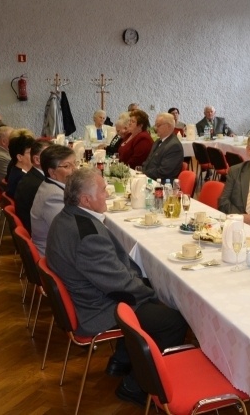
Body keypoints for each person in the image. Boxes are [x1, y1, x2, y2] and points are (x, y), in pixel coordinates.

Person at [45, 167, 188, 407]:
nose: (107, 194)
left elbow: (112, 275)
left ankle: (120, 360)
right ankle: (135, 386)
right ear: (86, 200)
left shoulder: (67, 217)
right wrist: (152, 293)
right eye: (102, 191)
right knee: (173, 321)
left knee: (147, 295)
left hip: (91, 295)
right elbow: (118, 285)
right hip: (97, 308)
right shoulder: (86, 233)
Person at [30, 145, 76, 256]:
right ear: (52, 172)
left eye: (75, 163)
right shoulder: (53, 197)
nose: (75, 169)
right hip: (53, 255)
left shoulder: (50, 185)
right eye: (67, 166)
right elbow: (68, 233)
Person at [14, 139, 52, 232]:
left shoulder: (33, 176)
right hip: (38, 233)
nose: (57, 160)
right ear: (37, 159)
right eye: (51, 156)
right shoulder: (38, 185)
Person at [141, 112, 184, 182]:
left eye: (158, 125)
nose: (155, 128)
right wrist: (141, 171)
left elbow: (163, 171)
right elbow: (148, 161)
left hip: (163, 184)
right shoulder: (158, 141)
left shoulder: (174, 146)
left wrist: (144, 174)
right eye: (155, 125)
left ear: (169, 126)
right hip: (150, 178)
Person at [5, 130, 36, 198]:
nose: (35, 155)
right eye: (31, 152)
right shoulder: (24, 180)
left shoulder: (17, 171)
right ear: (19, 157)